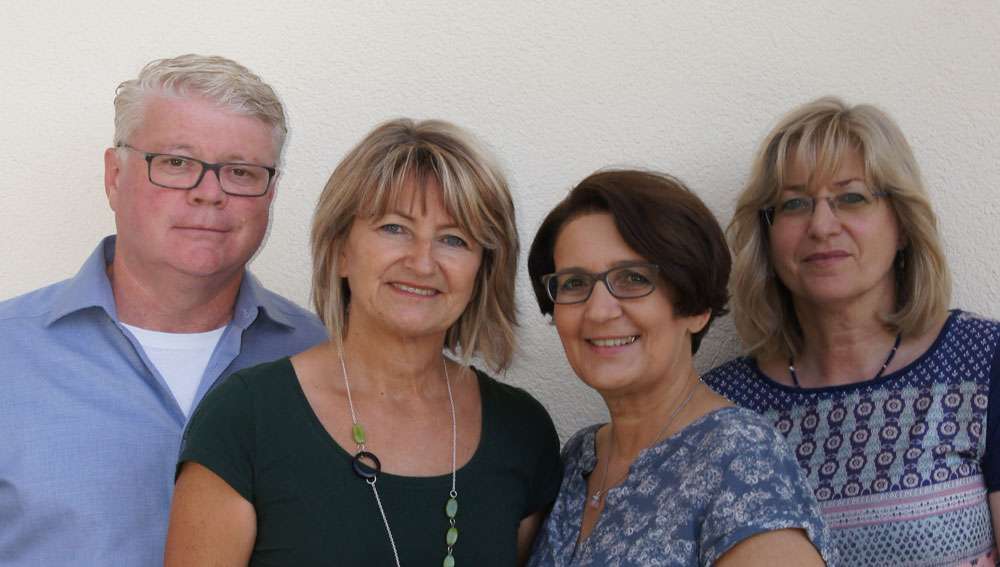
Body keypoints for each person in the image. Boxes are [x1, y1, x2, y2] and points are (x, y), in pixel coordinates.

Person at [166, 118, 563, 566]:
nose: (422, 262)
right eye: (394, 228)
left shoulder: (521, 431)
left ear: (482, 271)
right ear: (341, 250)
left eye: (454, 239)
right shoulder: (246, 418)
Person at [0, 55, 327, 564]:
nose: (209, 193)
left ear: (271, 194)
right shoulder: (9, 355)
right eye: (177, 163)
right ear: (114, 176)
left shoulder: (324, 359)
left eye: (241, 172)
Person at [704, 97, 1000, 565]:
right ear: (768, 235)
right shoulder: (720, 408)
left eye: (852, 197)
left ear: (902, 225)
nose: (822, 226)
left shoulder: (984, 361)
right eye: (795, 203)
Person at [525, 170, 833, 566]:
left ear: (695, 307)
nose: (599, 311)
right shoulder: (577, 459)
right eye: (574, 283)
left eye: (632, 278)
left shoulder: (740, 459)